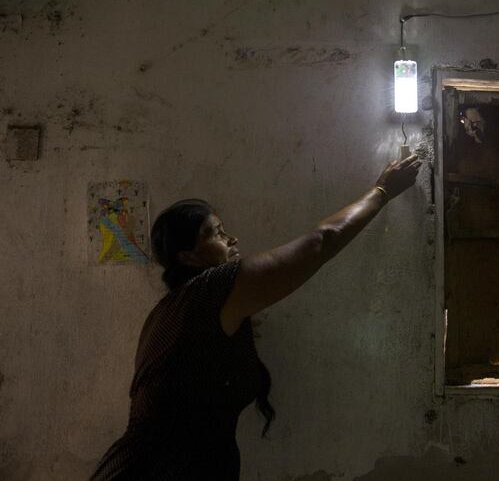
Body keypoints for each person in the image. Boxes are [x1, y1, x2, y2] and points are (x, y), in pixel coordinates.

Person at [90, 154, 422, 480]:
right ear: (188, 256)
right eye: (217, 233)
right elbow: (322, 242)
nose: (231, 239)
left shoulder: (172, 310)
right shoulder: (211, 290)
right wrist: (382, 191)